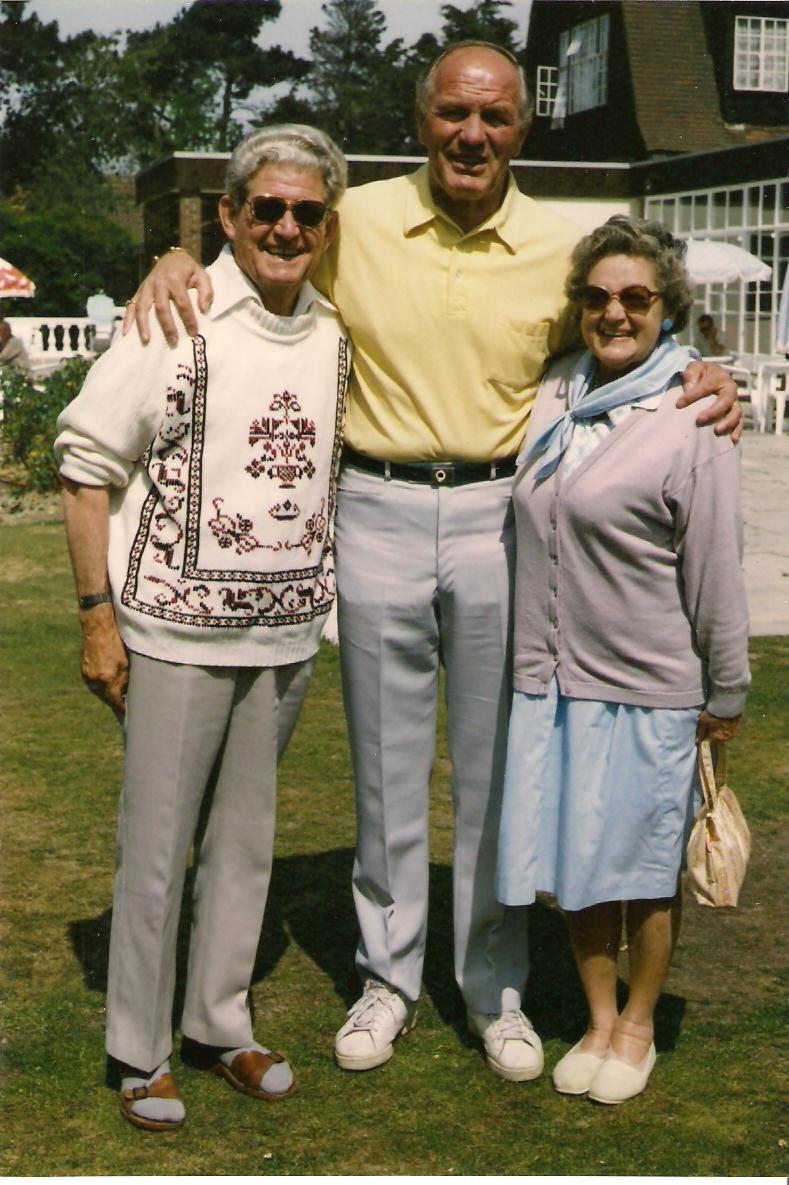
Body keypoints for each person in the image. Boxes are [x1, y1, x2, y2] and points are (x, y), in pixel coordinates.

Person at [124, 42, 741, 1085]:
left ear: (521, 130)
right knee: (385, 766)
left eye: (496, 118)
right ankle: (388, 978)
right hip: (377, 505)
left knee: (498, 768)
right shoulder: (350, 220)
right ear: (421, 121)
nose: (473, 135)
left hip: (506, 514)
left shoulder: (561, 239)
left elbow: (632, 324)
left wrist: (707, 363)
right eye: (455, 113)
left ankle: (494, 983)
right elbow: (252, 259)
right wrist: (174, 262)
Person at [54, 124, 349, 1131]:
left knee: (246, 849)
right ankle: (140, 1049)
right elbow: (86, 463)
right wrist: (98, 618)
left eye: (305, 211)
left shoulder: (330, 333)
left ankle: (220, 1024)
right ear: (227, 215)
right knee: (157, 847)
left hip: (284, 640)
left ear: (326, 225)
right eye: (264, 206)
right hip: (173, 636)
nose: (284, 225)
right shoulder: (172, 316)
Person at [497, 215, 749, 1105]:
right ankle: (596, 1018)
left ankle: (637, 1022)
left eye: (635, 298)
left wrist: (725, 689)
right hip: (555, 679)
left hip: (650, 684)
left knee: (642, 868)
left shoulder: (690, 407)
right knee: (574, 864)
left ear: (664, 308)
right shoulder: (555, 392)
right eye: (598, 297)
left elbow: (713, 564)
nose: (614, 313)